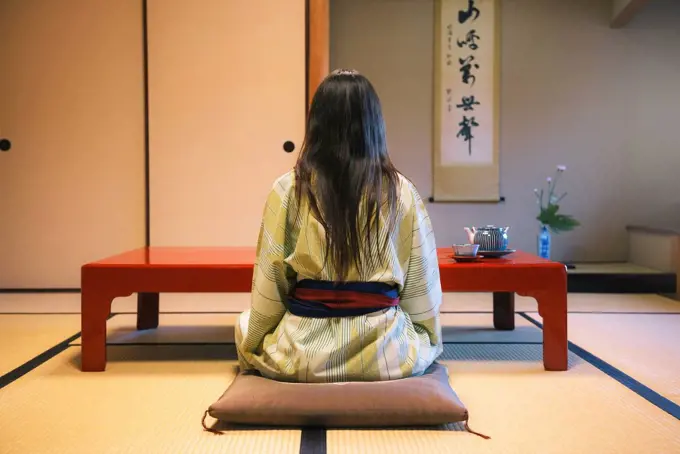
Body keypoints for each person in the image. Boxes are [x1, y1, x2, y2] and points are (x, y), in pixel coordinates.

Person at [235, 69, 443, 383]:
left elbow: (271, 279)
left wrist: (257, 344)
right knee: (418, 339)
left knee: (243, 323)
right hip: (385, 350)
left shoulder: (289, 188)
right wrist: (425, 335)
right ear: (374, 125)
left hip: (304, 351)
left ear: (316, 124)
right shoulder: (400, 191)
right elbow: (420, 283)